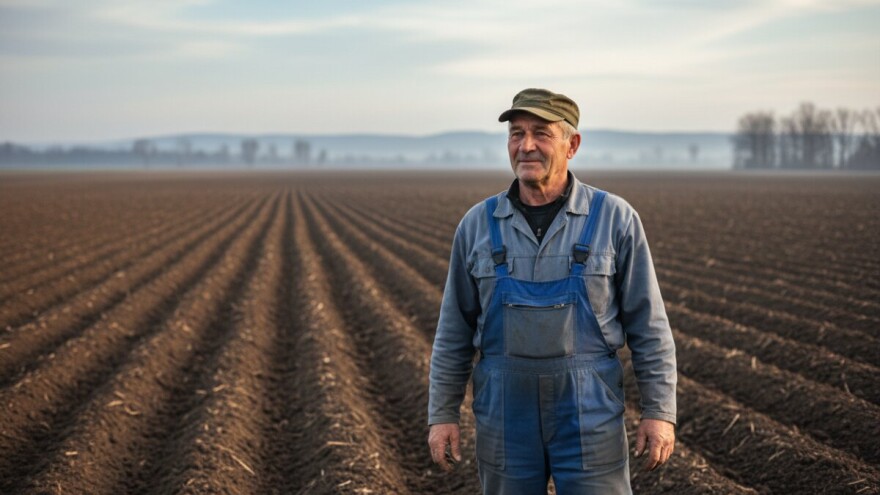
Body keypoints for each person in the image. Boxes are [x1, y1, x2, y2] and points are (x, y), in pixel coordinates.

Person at [427, 88, 677, 494]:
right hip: (505, 418)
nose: (526, 146)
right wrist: (442, 414)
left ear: (572, 144)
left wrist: (660, 413)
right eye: (516, 133)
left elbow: (650, 330)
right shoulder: (477, 225)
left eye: (541, 133)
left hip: (589, 416)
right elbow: (453, 333)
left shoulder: (614, 219)